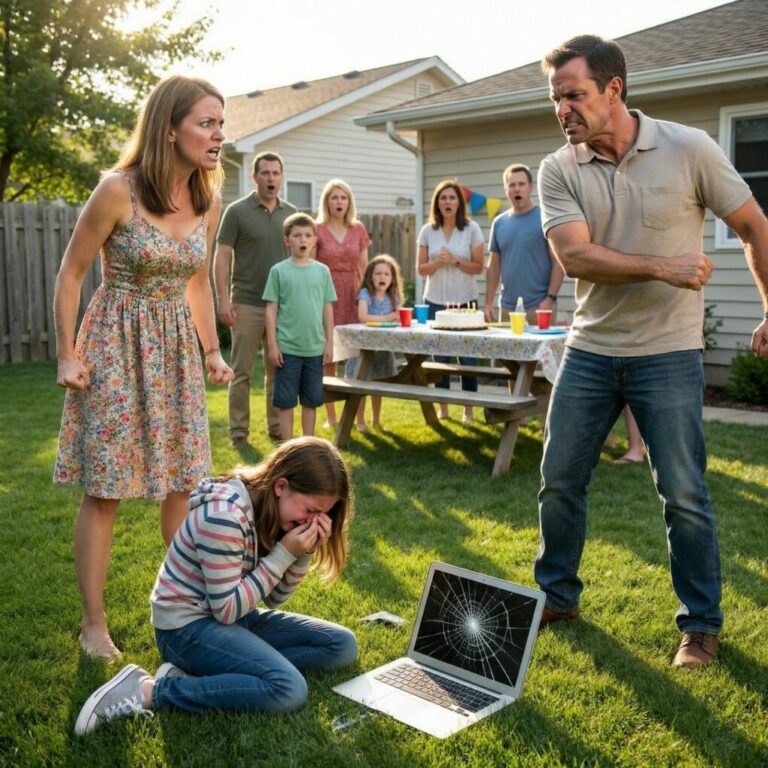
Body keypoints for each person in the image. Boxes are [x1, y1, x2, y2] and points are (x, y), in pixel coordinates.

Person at [533, 35, 768, 668]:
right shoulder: (560, 168)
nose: (563, 110)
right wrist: (663, 267)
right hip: (589, 348)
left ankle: (700, 625)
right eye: (556, 99)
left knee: (683, 491)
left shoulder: (689, 148)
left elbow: (754, 227)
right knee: (559, 480)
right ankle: (556, 596)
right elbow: (575, 256)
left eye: (574, 95)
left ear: (614, 89)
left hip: (667, 351)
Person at [53, 76, 234, 661]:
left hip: (176, 351)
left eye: (220, 122)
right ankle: (93, 623)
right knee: (106, 489)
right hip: (114, 344)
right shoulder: (117, 191)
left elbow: (199, 284)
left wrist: (211, 350)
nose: (218, 133)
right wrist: (66, 352)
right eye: (207, 122)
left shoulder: (207, 199)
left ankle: (186, 603)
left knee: (184, 483)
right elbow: (71, 274)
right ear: (169, 127)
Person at [73, 437, 358, 734]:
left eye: (323, 515)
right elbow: (226, 612)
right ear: (281, 486)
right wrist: (285, 553)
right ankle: (150, 690)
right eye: (310, 511)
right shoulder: (226, 516)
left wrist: (301, 553)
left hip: (235, 618)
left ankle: (211, 673)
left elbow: (274, 598)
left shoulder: (272, 511)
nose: (314, 523)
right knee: (289, 689)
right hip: (185, 629)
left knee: (341, 645)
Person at [215, 151, 297, 445]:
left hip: (282, 306)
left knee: (279, 371)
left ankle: (277, 430)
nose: (271, 178)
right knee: (242, 372)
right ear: (255, 176)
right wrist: (223, 300)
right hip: (247, 302)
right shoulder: (237, 211)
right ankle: (239, 433)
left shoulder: (291, 214)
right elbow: (222, 256)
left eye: (276, 173)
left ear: (281, 177)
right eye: (266, 173)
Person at [264, 213, 336, 441]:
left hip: (315, 349)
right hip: (287, 350)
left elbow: (327, 309)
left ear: (315, 239)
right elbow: (271, 310)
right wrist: (273, 346)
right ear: (287, 240)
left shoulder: (322, 271)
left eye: (307, 235)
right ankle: (287, 447)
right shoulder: (278, 271)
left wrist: (329, 343)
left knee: (311, 400)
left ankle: (307, 444)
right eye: (297, 235)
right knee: (285, 402)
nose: (302, 240)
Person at [417, 179, 485, 422]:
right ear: (437, 203)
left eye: (452, 197)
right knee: (440, 357)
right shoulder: (427, 231)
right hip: (435, 301)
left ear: (459, 202)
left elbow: (478, 267)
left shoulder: (471, 229)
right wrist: (438, 261)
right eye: (443, 198)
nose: (447, 202)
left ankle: (468, 408)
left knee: (467, 356)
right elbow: (421, 269)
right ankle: (443, 407)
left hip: (465, 301)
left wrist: (455, 259)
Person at [314, 179, 371, 428]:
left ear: (350, 202)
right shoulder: (317, 229)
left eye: (343, 197)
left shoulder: (358, 228)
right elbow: (312, 266)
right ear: (327, 201)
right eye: (334, 197)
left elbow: (364, 266)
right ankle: (332, 417)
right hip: (326, 295)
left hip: (353, 293)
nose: (339, 202)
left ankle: (359, 418)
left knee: (356, 358)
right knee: (330, 357)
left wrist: (366, 296)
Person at [484, 163, 564, 326]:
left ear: (531, 187)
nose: (517, 189)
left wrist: (550, 298)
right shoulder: (499, 223)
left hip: (539, 307)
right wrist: (488, 302)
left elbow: (559, 262)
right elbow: (493, 266)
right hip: (507, 310)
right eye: (512, 185)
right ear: (506, 189)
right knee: (504, 352)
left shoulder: (545, 218)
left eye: (521, 184)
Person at [354, 254, 404, 431]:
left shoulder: (393, 297)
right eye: (378, 273)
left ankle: (376, 420)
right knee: (361, 385)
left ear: (392, 279)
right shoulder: (365, 294)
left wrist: (397, 318)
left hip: (383, 348)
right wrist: (386, 318)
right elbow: (362, 317)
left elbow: (398, 316)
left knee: (378, 384)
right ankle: (359, 420)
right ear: (370, 276)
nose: (382, 277)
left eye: (386, 274)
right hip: (365, 348)